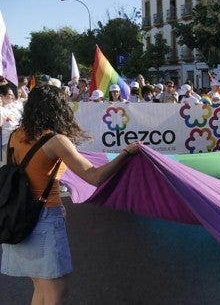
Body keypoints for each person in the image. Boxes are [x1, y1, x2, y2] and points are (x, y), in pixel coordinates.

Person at [1, 85, 140, 305]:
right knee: (57, 293)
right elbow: (94, 176)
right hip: (44, 218)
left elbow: (12, 177)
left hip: (17, 217)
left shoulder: (15, 136)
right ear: (57, 109)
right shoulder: (56, 141)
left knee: (41, 289)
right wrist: (126, 153)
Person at [1, 84, 24, 164]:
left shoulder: (13, 107)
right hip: (4, 143)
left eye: (12, 94)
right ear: (2, 96)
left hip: (15, 140)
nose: (12, 97)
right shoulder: (1, 110)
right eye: (10, 94)